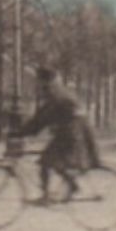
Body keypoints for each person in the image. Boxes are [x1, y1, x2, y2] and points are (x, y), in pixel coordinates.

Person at [16, 66, 99, 202]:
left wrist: (21, 132)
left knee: (45, 162)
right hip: (73, 131)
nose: (37, 84)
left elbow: (42, 119)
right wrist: (27, 131)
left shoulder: (55, 95)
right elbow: (42, 117)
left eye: (39, 81)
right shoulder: (58, 92)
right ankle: (72, 185)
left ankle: (46, 196)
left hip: (71, 133)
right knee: (55, 162)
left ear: (44, 81)